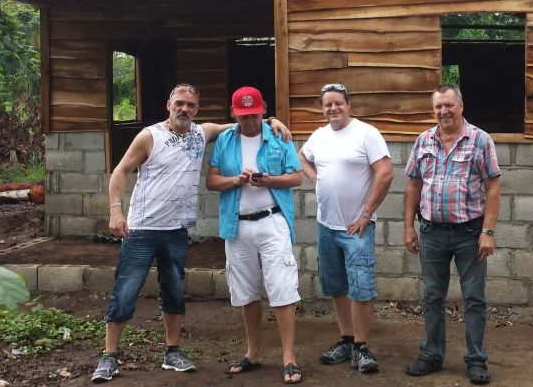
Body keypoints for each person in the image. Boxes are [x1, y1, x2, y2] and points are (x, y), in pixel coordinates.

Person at [91, 83, 289, 383]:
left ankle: (172, 351)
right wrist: (115, 209)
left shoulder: (201, 133)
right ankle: (109, 356)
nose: (184, 109)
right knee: (126, 290)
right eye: (179, 103)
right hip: (143, 229)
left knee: (173, 291)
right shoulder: (149, 136)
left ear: (197, 109)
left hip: (176, 231)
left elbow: (241, 120)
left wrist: (273, 120)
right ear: (168, 104)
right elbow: (120, 171)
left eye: (191, 106)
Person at [205, 86, 304, 385]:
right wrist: (237, 180)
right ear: (234, 113)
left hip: (273, 222)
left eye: (254, 114)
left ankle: (289, 357)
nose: (249, 121)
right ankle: (254, 352)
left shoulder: (278, 135)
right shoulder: (225, 139)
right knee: (246, 290)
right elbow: (211, 181)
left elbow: (297, 176)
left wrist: (270, 180)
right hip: (237, 225)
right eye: (243, 115)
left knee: (283, 288)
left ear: (263, 110)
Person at [402, 85, 501, 385]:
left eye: (448, 105)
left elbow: (493, 187)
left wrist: (488, 232)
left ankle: (476, 360)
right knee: (432, 297)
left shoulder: (480, 140)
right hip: (431, 231)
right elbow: (413, 186)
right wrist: (408, 226)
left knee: (474, 298)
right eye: (438, 107)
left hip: (470, 232)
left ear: (461, 106)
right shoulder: (423, 141)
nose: (443, 111)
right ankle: (432, 355)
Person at [298, 82, 393, 374]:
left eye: (338, 102)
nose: (333, 108)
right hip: (326, 225)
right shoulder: (319, 135)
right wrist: (314, 178)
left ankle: (362, 347)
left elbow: (386, 172)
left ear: (348, 104)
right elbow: (302, 156)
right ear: (322, 107)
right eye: (327, 104)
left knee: (361, 288)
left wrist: (367, 213)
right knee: (337, 286)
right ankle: (347, 340)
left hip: (356, 228)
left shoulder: (367, 133)